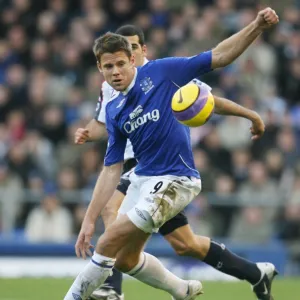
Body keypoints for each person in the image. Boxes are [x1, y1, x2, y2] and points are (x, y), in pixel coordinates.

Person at [65, 7, 279, 300]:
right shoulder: (113, 104)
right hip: (141, 175)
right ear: (100, 68)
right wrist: (87, 219)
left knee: (110, 230)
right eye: (108, 66)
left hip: (172, 177)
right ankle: (225, 280)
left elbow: (216, 69)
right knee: (173, 248)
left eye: (123, 60)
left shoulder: (165, 72)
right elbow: (110, 164)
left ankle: (107, 289)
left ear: (136, 54)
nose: (116, 71)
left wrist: (256, 26)